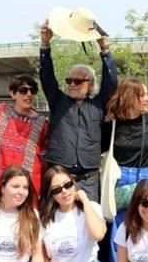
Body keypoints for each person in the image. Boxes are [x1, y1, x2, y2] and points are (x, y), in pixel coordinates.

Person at [39, 17, 118, 201]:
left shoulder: (98, 105)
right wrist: (45, 45)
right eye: (69, 81)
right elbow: (46, 76)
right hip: (59, 179)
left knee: (90, 225)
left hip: (88, 181)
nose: (72, 84)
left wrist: (105, 49)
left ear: (90, 83)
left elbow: (112, 81)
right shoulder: (58, 101)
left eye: (78, 81)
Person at [0, 74, 49, 197]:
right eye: (23, 90)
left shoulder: (42, 124)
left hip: (26, 186)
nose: (29, 94)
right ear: (13, 94)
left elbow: (45, 156)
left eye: (32, 91)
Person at [101, 78, 148, 212]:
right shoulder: (112, 124)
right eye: (143, 95)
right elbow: (102, 148)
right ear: (130, 97)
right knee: (118, 222)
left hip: (144, 176)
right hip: (117, 177)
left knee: (145, 219)